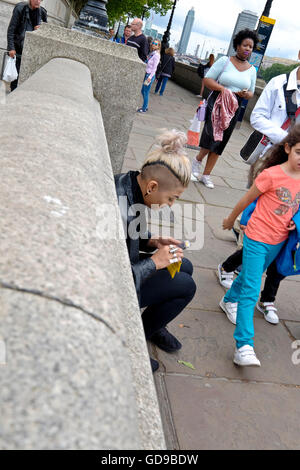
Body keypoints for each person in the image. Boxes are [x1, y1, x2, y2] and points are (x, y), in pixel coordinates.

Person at [218, 55, 300, 322]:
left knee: (285, 237)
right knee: (257, 226)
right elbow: (258, 117)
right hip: (273, 161)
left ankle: (268, 297)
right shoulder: (278, 84)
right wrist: (287, 141)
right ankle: (231, 268)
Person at [114, 130, 196, 372]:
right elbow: (114, 277)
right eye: (172, 198)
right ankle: (130, 347)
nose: (170, 205)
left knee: (184, 266)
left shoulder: (131, 184)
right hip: (113, 285)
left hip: (123, 265)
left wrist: (153, 241)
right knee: (186, 285)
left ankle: (153, 325)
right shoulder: (120, 209)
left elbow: (130, 237)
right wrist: (153, 263)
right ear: (152, 186)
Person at [220, 124, 300, 367]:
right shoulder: (271, 174)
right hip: (257, 237)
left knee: (249, 278)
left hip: (279, 241)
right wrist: (231, 219)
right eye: (299, 152)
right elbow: (247, 199)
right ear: (287, 148)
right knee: (252, 289)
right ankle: (244, 345)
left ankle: (227, 300)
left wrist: (294, 223)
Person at [191, 29, 258, 189]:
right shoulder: (224, 62)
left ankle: (206, 175)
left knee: (221, 142)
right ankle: (197, 161)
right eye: (245, 45)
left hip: (234, 107)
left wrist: (245, 94)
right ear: (237, 45)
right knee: (211, 137)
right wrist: (224, 90)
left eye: (250, 46)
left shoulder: (252, 70)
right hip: (217, 104)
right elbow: (207, 80)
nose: (247, 49)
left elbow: (251, 92)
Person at [7, 0, 47, 91]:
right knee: (15, 80)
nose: (37, 1)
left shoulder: (42, 13)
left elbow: (46, 33)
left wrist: (40, 30)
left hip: (33, 51)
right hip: (19, 48)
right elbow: (11, 30)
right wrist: (11, 48)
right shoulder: (20, 8)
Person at [137, 39, 161, 114]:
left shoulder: (156, 55)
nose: (154, 44)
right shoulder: (152, 53)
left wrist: (150, 77)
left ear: (158, 46)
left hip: (149, 75)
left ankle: (144, 108)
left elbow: (154, 68)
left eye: (156, 44)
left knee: (146, 92)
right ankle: (145, 106)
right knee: (143, 91)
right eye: (153, 43)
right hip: (146, 73)